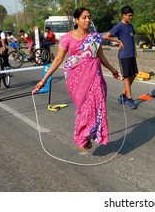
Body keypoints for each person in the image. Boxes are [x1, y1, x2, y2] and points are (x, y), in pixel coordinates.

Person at [34, 8, 120, 152]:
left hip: (95, 76)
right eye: (84, 17)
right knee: (85, 108)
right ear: (76, 19)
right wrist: (44, 79)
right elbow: (58, 60)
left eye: (89, 17)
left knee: (96, 105)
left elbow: (101, 57)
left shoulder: (95, 37)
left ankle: (85, 136)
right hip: (75, 78)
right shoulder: (67, 38)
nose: (87, 20)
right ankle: (82, 137)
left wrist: (113, 70)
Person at [103, 5, 138, 110]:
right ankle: (129, 99)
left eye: (132, 15)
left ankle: (122, 95)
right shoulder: (119, 26)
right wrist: (118, 41)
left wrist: (135, 50)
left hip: (132, 54)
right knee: (127, 76)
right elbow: (106, 36)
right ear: (123, 15)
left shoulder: (130, 26)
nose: (131, 17)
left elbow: (132, 40)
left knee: (134, 75)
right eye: (129, 15)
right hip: (124, 55)